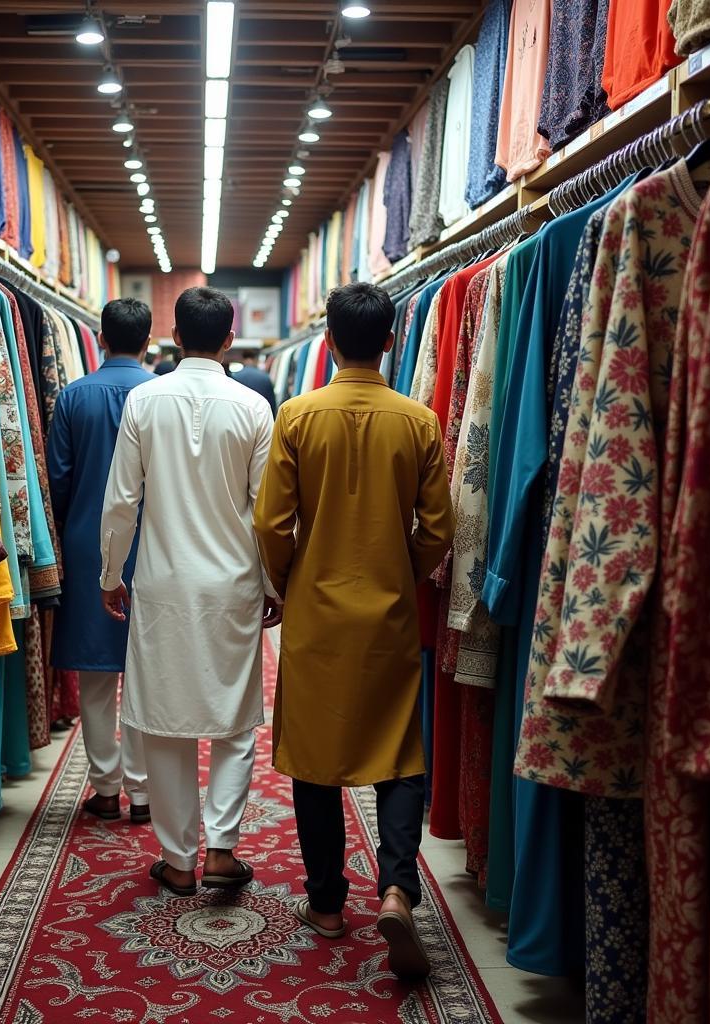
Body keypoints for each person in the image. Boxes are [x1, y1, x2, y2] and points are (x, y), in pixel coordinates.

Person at [253, 282, 455, 979]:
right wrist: (403, 567)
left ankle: (329, 904)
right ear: (393, 340)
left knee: (316, 758)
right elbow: (441, 527)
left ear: (330, 342)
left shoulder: (298, 415)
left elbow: (271, 523)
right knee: (399, 752)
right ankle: (397, 889)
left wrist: (285, 580)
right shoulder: (418, 420)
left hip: (316, 611)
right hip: (389, 608)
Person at [100, 286, 281, 897]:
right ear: (230, 338)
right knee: (234, 721)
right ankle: (223, 850)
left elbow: (122, 499)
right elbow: (268, 509)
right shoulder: (255, 407)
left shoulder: (144, 402)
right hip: (232, 582)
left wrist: (109, 574)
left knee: (165, 721)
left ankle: (178, 860)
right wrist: (274, 583)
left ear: (174, 335)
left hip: (162, 583)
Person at [46, 297, 155, 824]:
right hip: (154, 541)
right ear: (149, 339)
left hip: (90, 538)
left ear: (102, 338)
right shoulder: (161, 394)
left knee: (95, 674)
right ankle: (142, 791)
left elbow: (58, 479)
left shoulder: (72, 397)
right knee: (145, 668)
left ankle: (106, 788)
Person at [232, 348, 277, 416]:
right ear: (255, 359)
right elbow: (272, 403)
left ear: (242, 360)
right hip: (260, 416)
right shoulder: (265, 377)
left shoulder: (235, 377)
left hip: (240, 416)